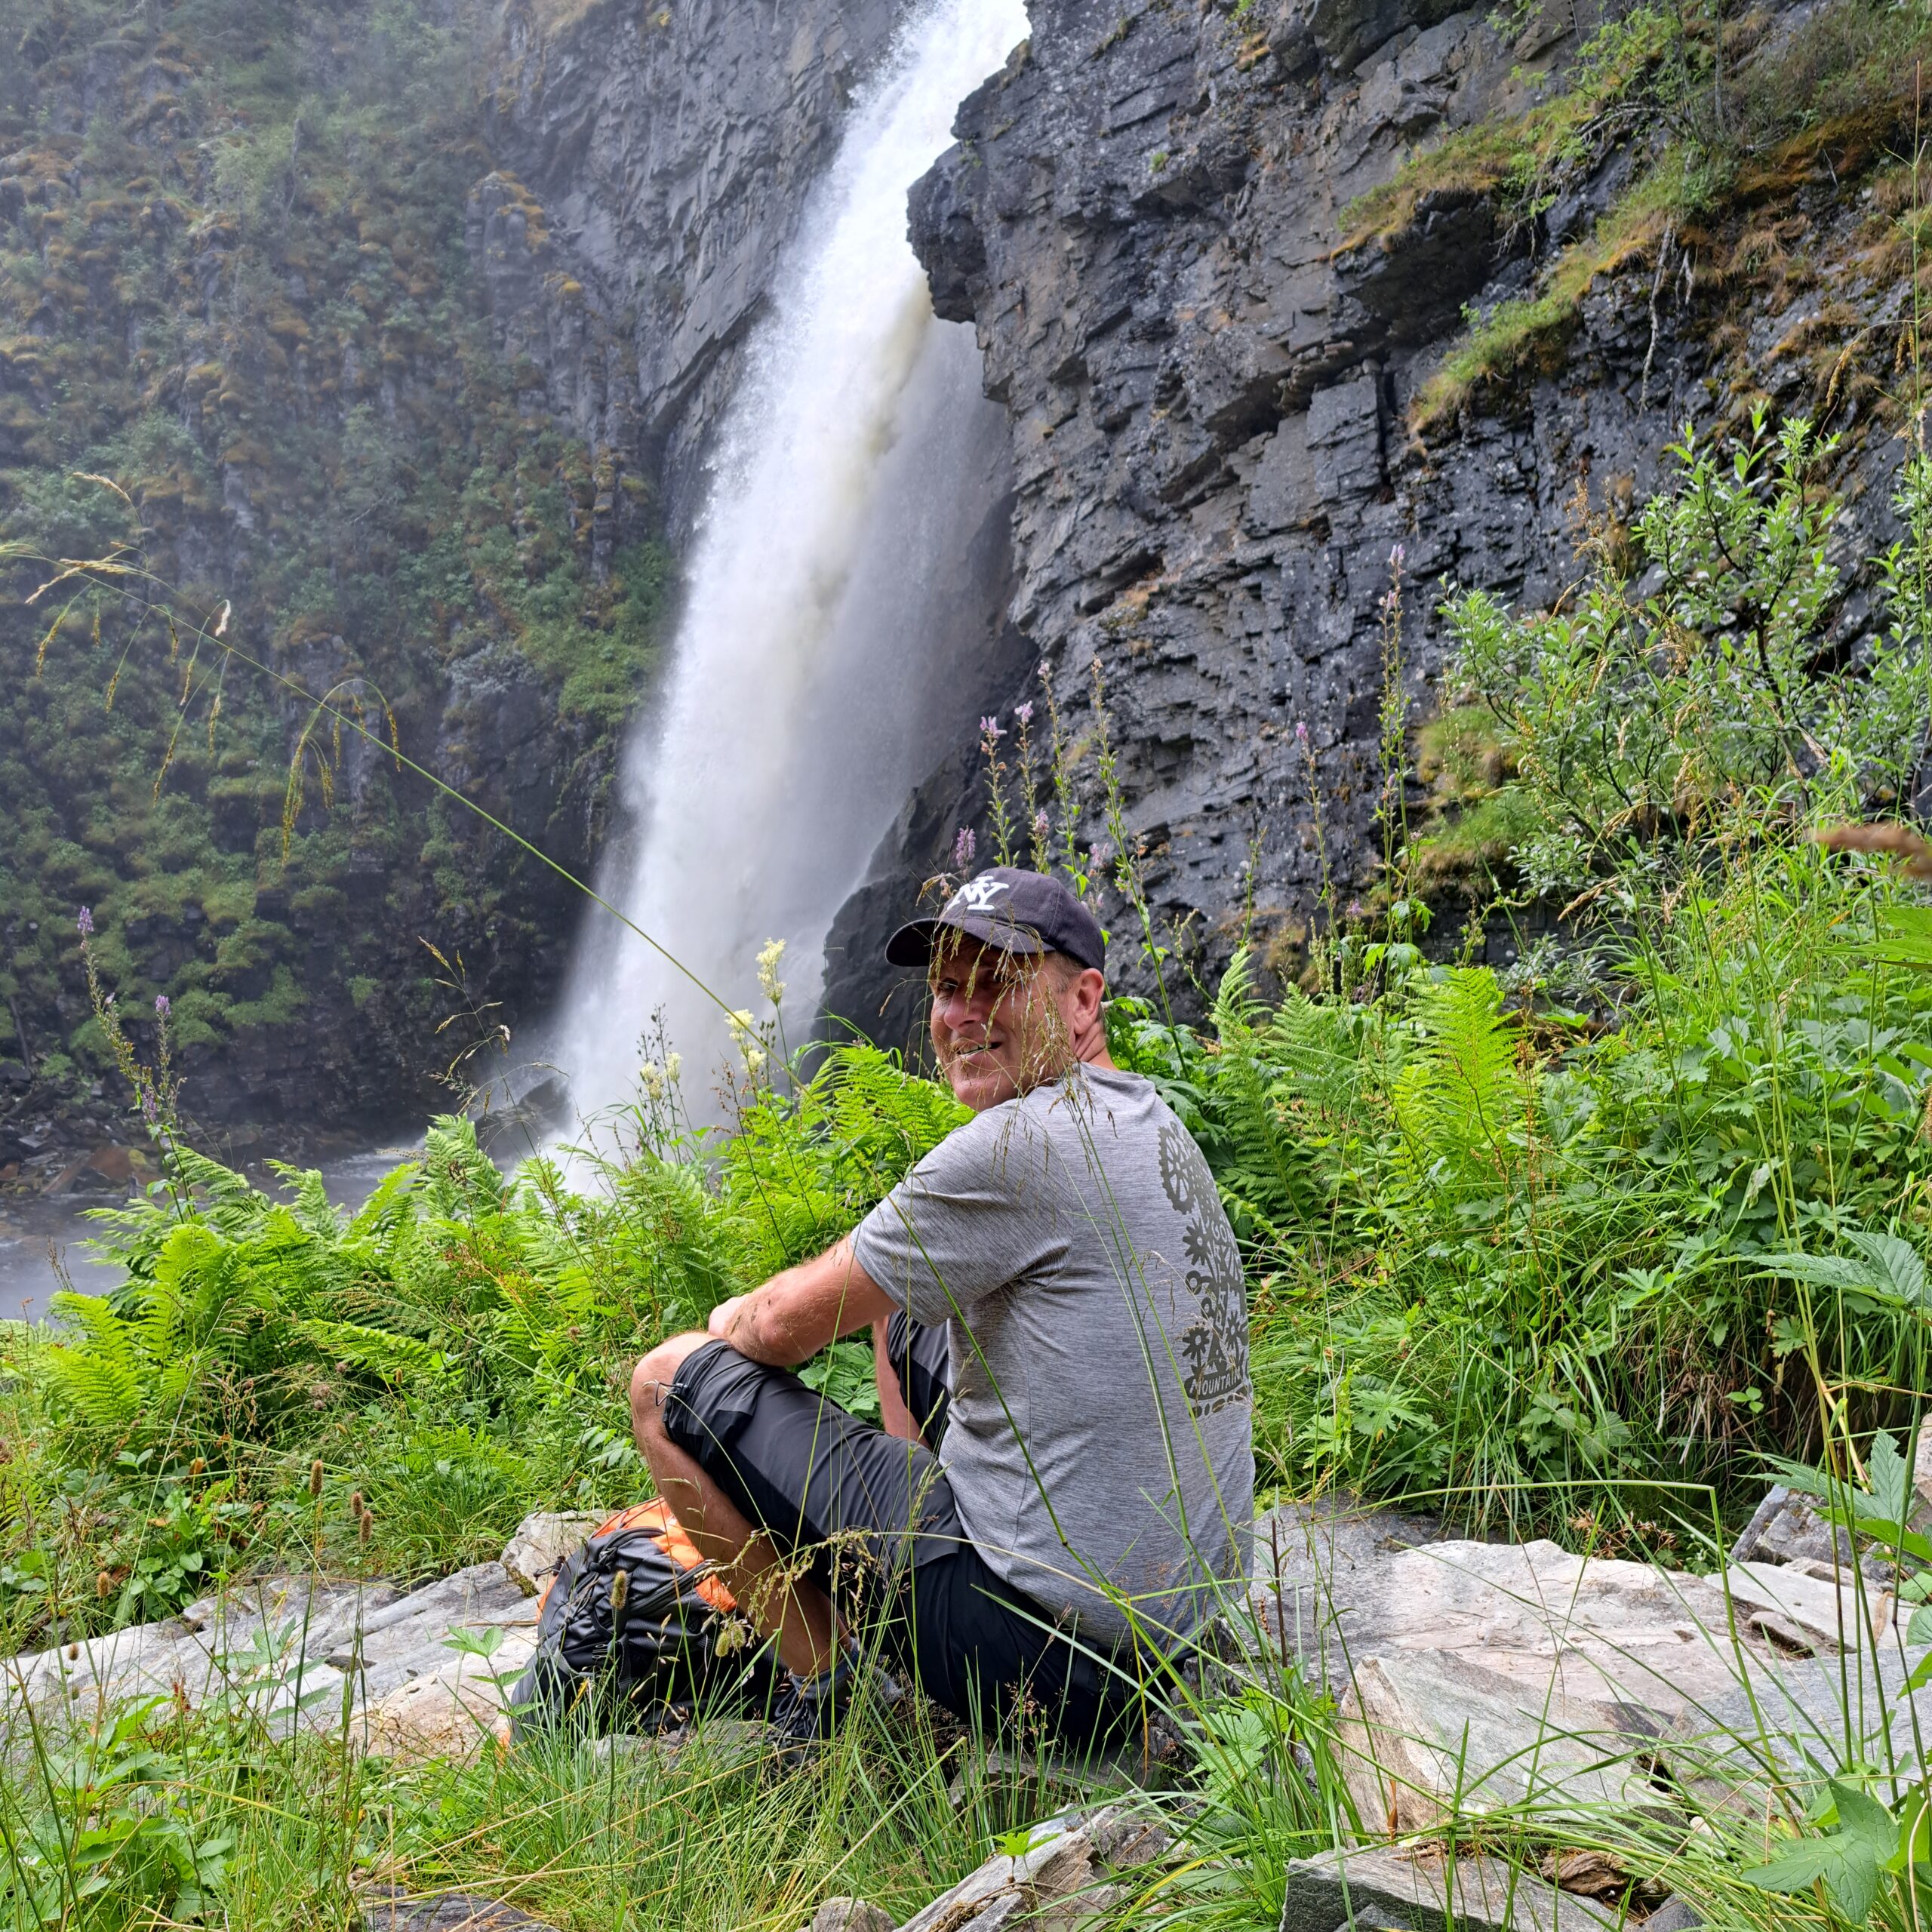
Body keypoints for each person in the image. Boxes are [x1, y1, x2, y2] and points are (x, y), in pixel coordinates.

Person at [629, 866, 1254, 1752]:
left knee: (663, 1385)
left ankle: (835, 1699)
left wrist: (728, 1321)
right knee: (904, 1302)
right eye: (946, 988)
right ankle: (916, 1564)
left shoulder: (1019, 1144)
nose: (961, 1012)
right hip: (1177, 1634)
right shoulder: (1148, 1118)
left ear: (1084, 999)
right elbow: (883, 1286)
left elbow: (773, 1329)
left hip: (1046, 1663)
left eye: (997, 981)